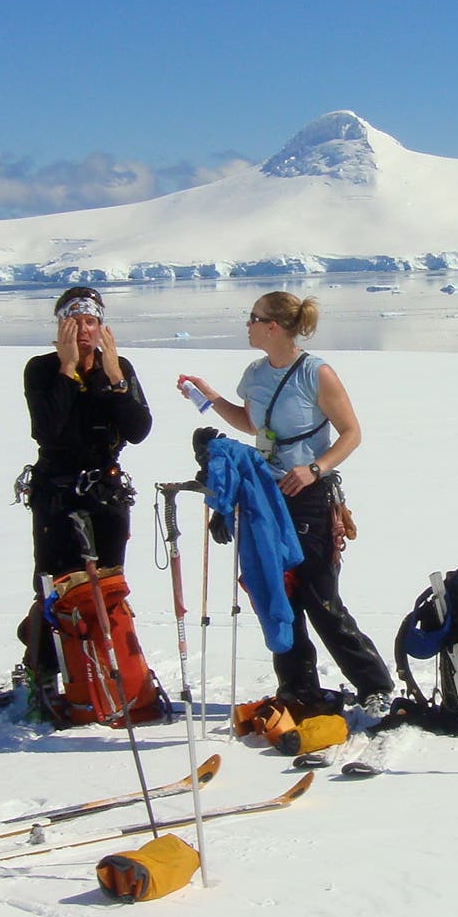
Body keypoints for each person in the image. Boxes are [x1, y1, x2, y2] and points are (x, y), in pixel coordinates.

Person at [178, 292, 394, 716]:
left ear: (273, 326)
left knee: (320, 597)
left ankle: (374, 685)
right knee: (277, 594)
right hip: (266, 496)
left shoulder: (317, 374)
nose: (248, 325)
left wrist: (315, 468)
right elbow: (250, 423)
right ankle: (298, 689)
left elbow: (351, 432)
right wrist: (206, 396)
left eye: (253, 318)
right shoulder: (255, 374)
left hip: (310, 498)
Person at [20, 286, 154, 703]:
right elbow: (47, 429)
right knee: (54, 585)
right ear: (61, 327)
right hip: (57, 492)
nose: (83, 330)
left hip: (105, 492)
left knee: (108, 585)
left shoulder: (118, 367)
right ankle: (44, 670)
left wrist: (115, 378)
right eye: (74, 322)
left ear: (102, 326)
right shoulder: (41, 370)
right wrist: (67, 369)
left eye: (90, 322)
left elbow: (138, 430)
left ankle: (106, 669)